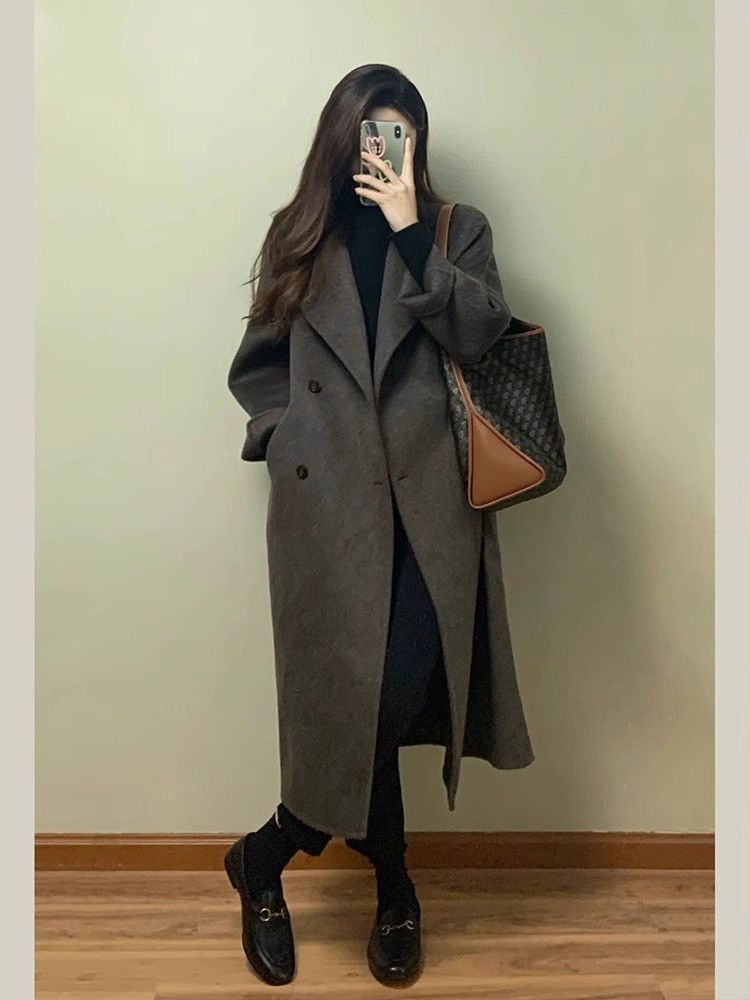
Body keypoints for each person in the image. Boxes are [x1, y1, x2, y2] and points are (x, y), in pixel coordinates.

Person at [225, 63, 535, 987]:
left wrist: (408, 233)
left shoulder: (454, 231)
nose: (384, 150)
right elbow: (256, 366)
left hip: (429, 512)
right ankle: (396, 891)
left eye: (399, 134)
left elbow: (482, 333)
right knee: (354, 702)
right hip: (327, 516)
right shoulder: (298, 235)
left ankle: (266, 854)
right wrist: (285, 437)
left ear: (416, 143)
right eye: (370, 133)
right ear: (341, 139)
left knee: (388, 698)